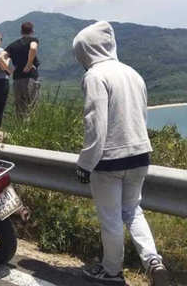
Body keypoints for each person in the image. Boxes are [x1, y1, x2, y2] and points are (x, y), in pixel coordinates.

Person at [73, 21, 169, 286]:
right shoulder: (133, 73)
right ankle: (152, 261)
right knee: (133, 211)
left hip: (109, 160)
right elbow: (141, 117)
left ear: (85, 51)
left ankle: (112, 271)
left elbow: (96, 123)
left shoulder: (95, 76)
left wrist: (85, 163)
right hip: (140, 154)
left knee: (111, 218)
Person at [0, 22, 40, 116]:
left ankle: (20, 129)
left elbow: (1, 57)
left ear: (21, 32)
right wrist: (29, 64)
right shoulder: (33, 40)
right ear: (32, 31)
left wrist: (9, 70)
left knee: (19, 108)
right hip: (30, 77)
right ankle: (31, 129)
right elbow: (33, 48)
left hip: (17, 78)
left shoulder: (13, 45)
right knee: (32, 107)